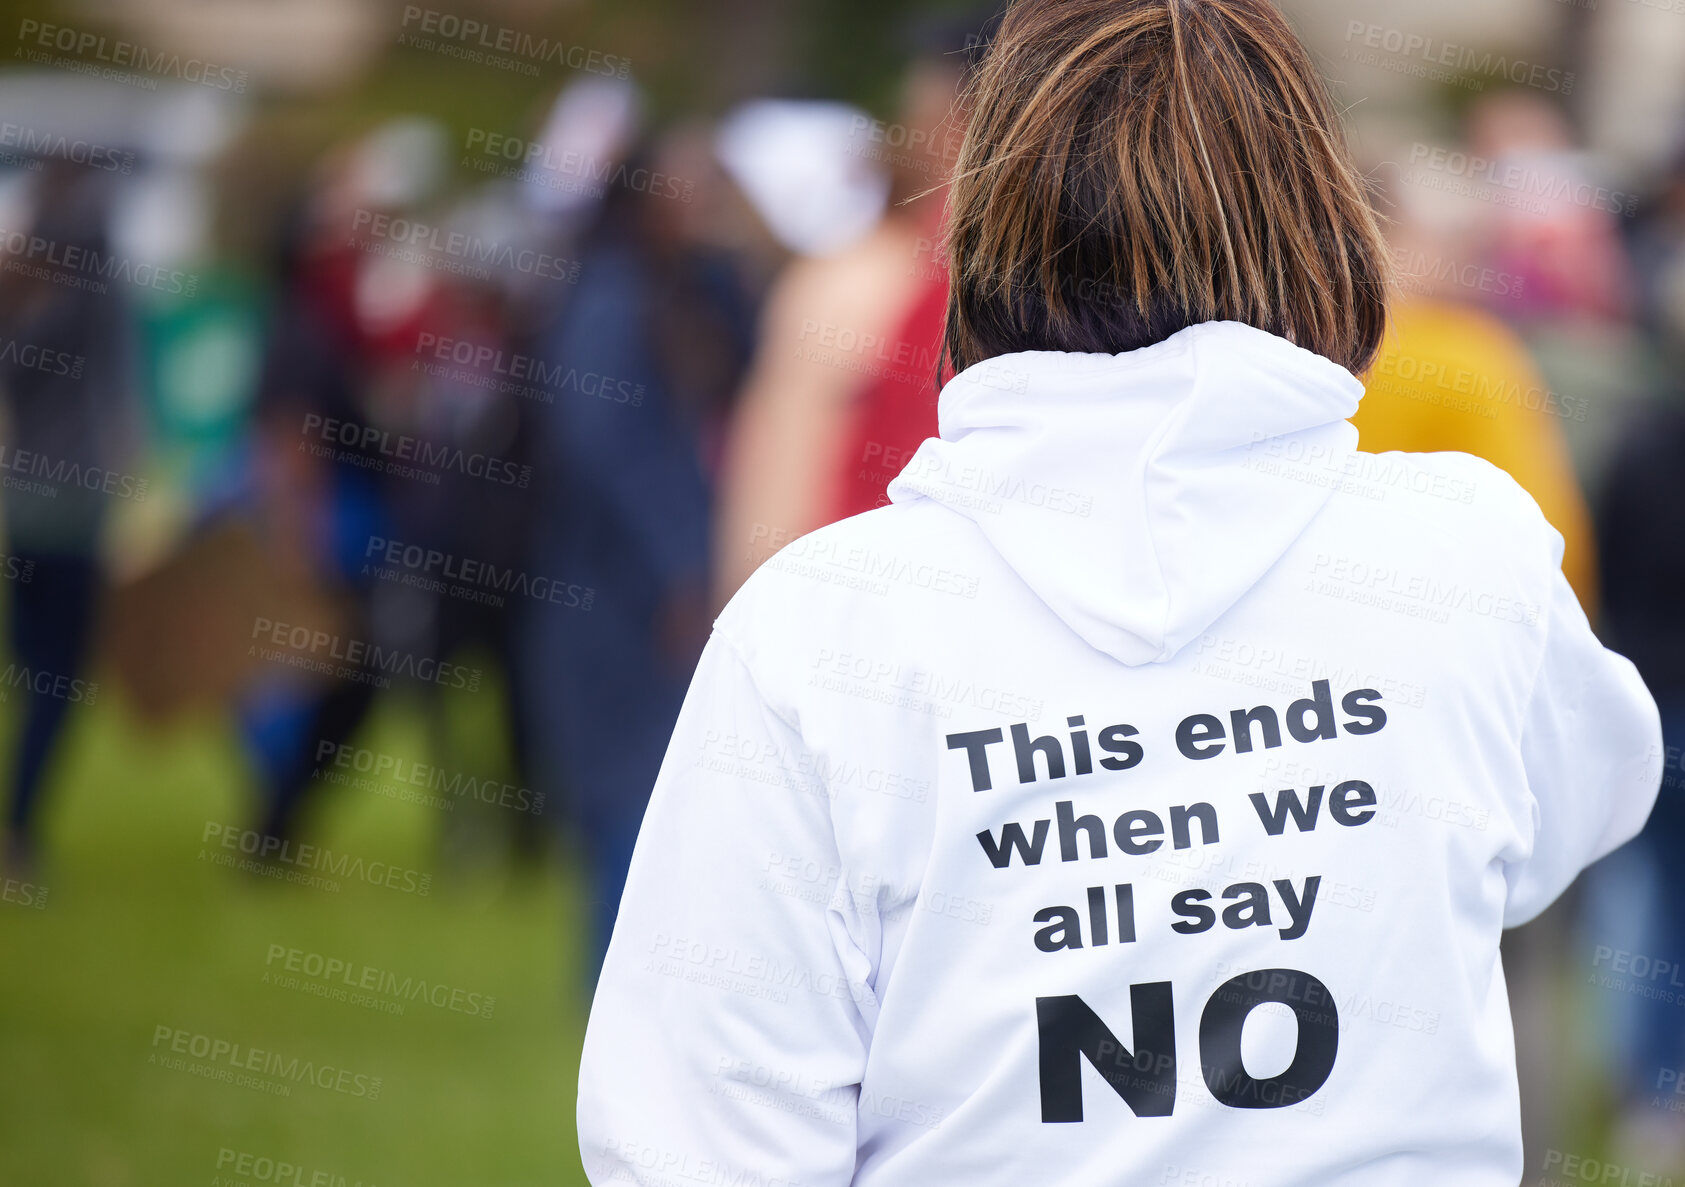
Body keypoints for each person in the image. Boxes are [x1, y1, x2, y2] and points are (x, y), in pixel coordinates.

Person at [578, 1, 1663, 1183]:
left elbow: (697, 1127)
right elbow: (1575, 805)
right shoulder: (1462, 553)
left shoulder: (821, 626)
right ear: (1317, 217)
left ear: (984, 223)